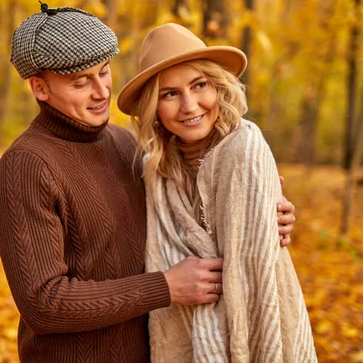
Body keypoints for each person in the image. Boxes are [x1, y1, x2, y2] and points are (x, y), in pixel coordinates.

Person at [0, 3, 296, 363]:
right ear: (40, 88)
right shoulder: (26, 165)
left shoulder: (124, 144)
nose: (101, 92)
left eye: (103, 73)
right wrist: (165, 287)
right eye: (80, 82)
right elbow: (44, 304)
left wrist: (257, 212)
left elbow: (180, 216)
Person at [117, 23, 316, 362]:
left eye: (199, 85)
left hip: (257, 330)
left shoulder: (244, 146)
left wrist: (268, 209)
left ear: (218, 86)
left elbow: (254, 269)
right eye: (169, 94)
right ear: (154, 107)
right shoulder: (156, 171)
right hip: (185, 337)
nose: (190, 105)